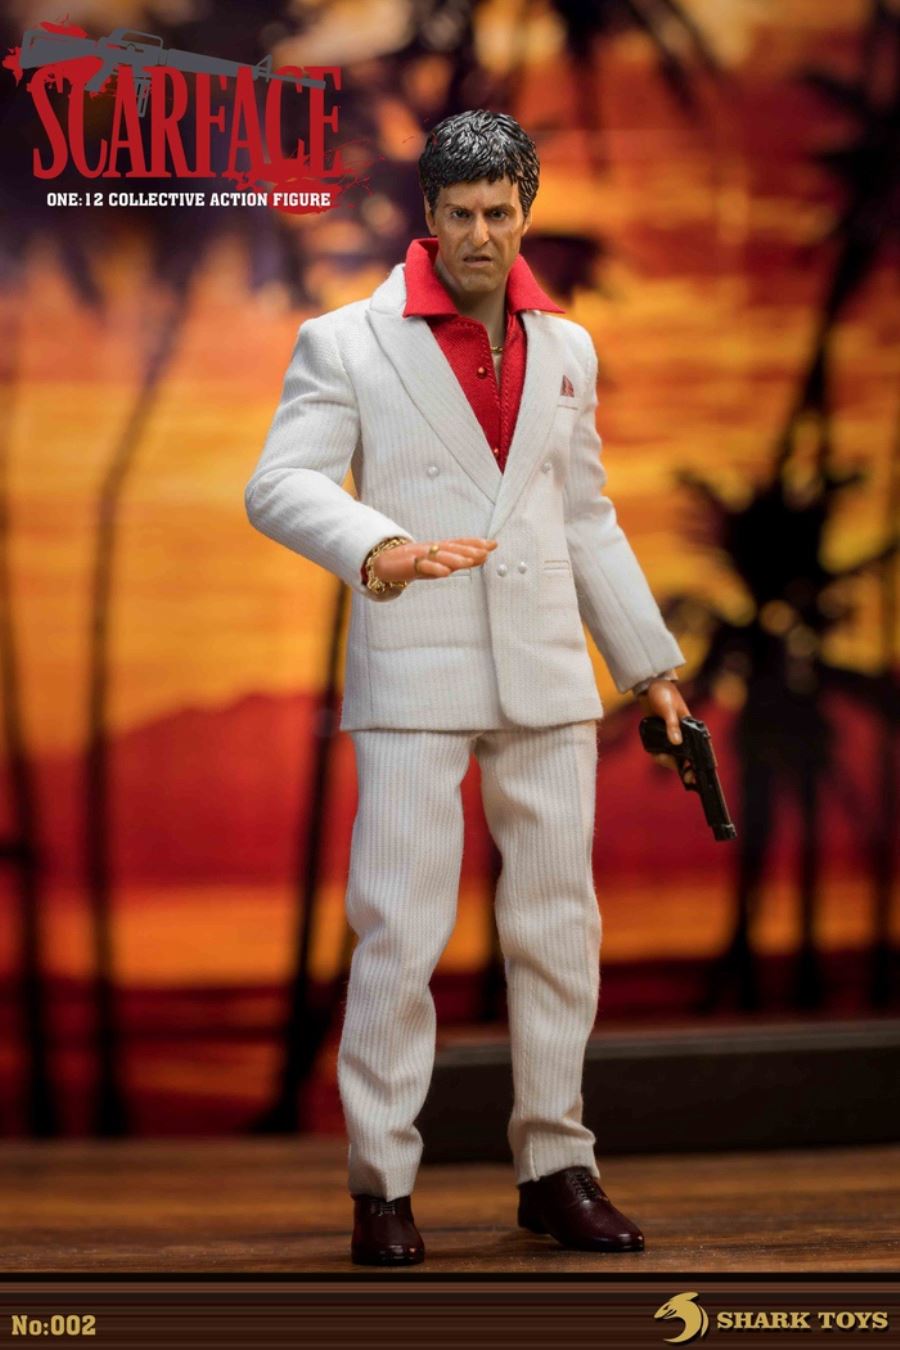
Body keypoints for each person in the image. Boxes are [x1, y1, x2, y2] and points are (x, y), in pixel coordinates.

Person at [245, 109, 690, 1266]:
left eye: (500, 212)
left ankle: (557, 1165)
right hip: (416, 665)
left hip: (544, 668)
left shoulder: (568, 349)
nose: (482, 234)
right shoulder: (349, 342)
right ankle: (382, 1183)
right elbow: (279, 483)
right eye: (461, 214)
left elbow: (584, 517)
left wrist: (649, 668)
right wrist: (380, 546)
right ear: (429, 217)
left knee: (558, 928)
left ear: (525, 211)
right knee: (399, 931)